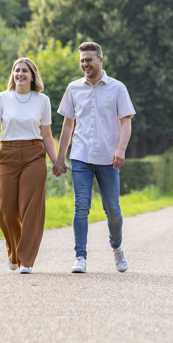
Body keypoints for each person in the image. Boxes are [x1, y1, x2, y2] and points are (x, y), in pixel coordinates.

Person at [53, 42, 135, 274]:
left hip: (108, 158)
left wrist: (121, 149)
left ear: (100, 60)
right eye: (81, 60)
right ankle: (80, 256)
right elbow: (68, 125)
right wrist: (60, 157)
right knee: (81, 206)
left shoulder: (117, 88)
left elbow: (126, 122)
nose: (85, 64)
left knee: (113, 209)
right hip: (81, 156)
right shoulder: (73, 88)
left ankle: (116, 247)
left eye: (88, 59)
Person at [0, 57, 57, 275]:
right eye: (17, 70)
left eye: (25, 71)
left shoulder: (42, 100)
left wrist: (56, 160)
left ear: (32, 75)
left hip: (34, 155)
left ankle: (27, 261)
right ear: (13, 74)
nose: (20, 74)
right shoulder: (1, 98)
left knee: (30, 208)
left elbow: (46, 135)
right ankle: (14, 252)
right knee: (6, 211)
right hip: (7, 154)